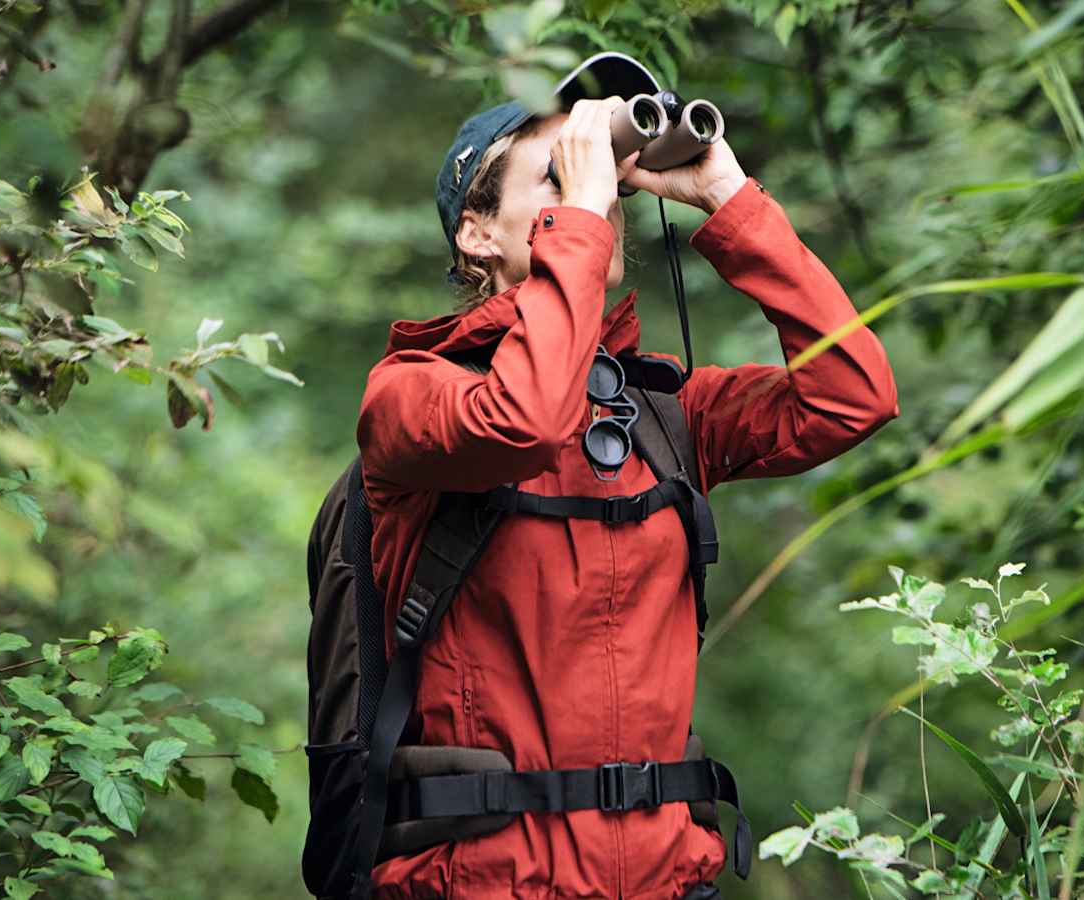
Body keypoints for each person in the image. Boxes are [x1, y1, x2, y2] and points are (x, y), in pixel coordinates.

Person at [355, 53, 900, 899]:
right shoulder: (413, 394)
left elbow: (853, 395)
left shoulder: (663, 413)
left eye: (602, 176)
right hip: (486, 886)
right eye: (557, 175)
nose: (595, 198)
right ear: (476, 232)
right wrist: (582, 215)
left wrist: (730, 202)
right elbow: (524, 422)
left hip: (667, 881)